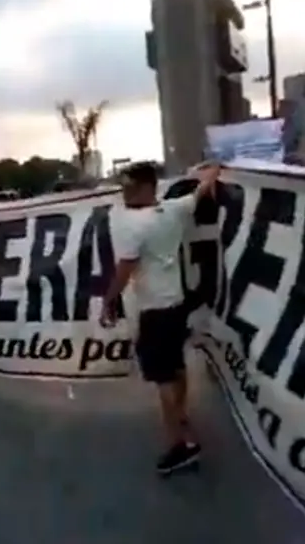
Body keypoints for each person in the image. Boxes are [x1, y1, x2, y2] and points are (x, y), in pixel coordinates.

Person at [100, 161, 220, 476]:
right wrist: (212, 168)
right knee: (176, 368)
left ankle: (178, 444)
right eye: (123, 187)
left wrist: (109, 300)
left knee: (163, 377)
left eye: (131, 187)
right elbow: (203, 187)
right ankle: (181, 418)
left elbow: (124, 270)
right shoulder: (174, 210)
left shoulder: (134, 226)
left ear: (148, 187)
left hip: (155, 310)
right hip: (175, 304)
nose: (125, 193)